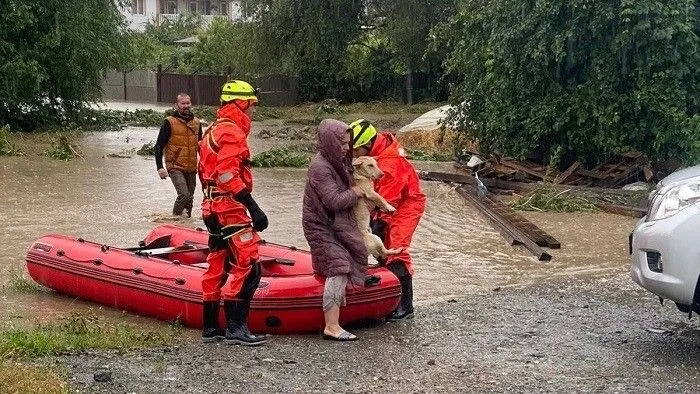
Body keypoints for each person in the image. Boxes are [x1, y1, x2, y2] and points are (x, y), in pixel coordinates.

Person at [198, 80, 268, 345]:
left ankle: (210, 328)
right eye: (251, 106)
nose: (252, 112)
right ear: (241, 104)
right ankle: (236, 329)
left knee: (217, 264)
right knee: (248, 265)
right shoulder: (232, 133)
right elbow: (227, 175)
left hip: (211, 206)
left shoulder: (213, 129)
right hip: (229, 207)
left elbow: (208, 173)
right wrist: (254, 207)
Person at [349, 119, 426, 321]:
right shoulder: (380, 149)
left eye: (356, 150)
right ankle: (390, 296)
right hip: (393, 202)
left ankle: (405, 305)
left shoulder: (390, 164)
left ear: (366, 145)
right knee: (382, 246)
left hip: (406, 206)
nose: (353, 154)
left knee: (397, 250)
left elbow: (387, 201)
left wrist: (376, 224)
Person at [302, 119, 369, 341]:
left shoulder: (339, 162)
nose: (347, 148)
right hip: (320, 225)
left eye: (348, 143)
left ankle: (337, 312)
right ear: (331, 142)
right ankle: (331, 326)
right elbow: (333, 201)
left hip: (334, 224)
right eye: (342, 143)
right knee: (339, 265)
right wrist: (356, 193)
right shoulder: (320, 167)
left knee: (348, 258)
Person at [154, 93, 203, 218]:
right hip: (175, 165)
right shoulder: (169, 122)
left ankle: (186, 223)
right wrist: (160, 167)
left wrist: (205, 165)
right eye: (183, 103)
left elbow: (201, 147)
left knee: (190, 199)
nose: (186, 106)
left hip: (191, 166)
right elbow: (159, 146)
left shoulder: (197, 123)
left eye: (188, 103)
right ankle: (175, 220)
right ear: (176, 105)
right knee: (184, 195)